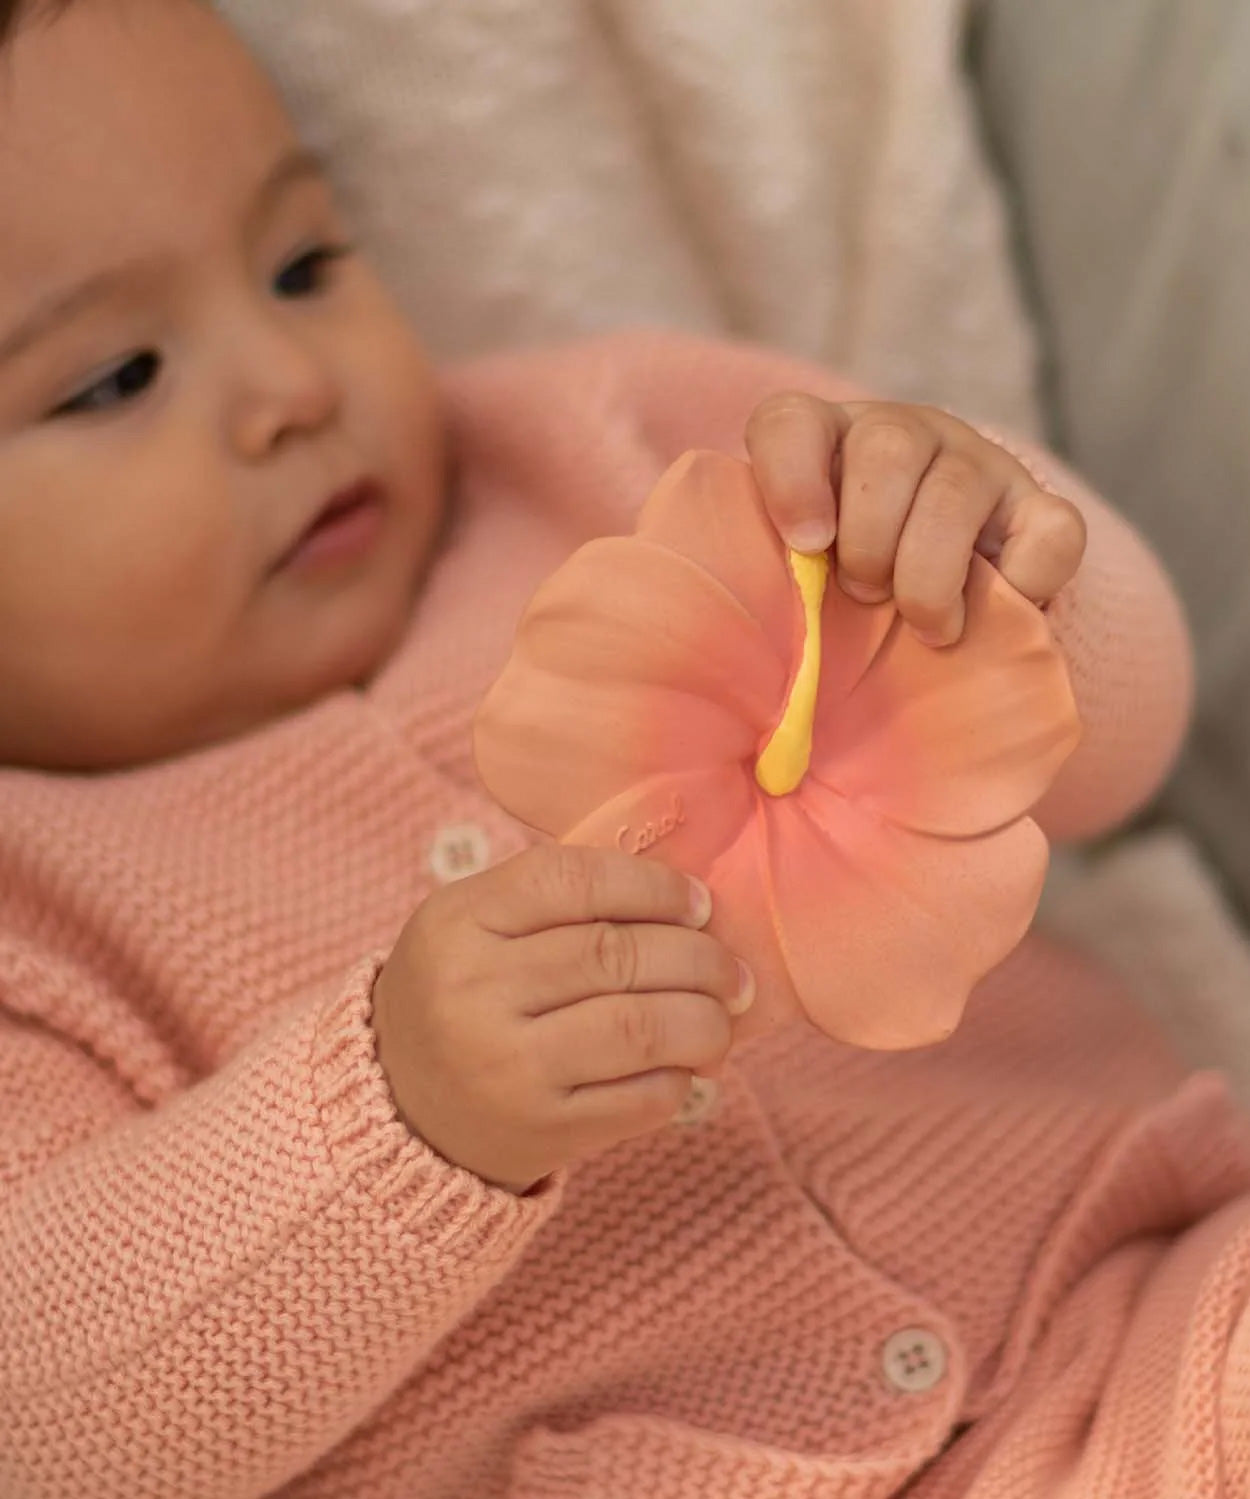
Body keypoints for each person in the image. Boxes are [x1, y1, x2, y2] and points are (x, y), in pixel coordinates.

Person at [0, 1, 1244, 1496]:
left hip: (1131, 1316)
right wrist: (397, 1112)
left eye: (305, 264)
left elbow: (1119, 746)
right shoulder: (37, 923)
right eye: (110, 380)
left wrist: (991, 561)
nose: (294, 385)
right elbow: (46, 1424)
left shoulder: (616, 447)